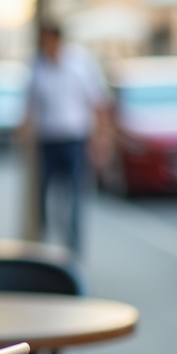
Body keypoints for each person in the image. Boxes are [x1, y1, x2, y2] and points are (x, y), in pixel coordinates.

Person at [23, 22, 110, 253]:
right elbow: (30, 106)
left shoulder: (80, 64)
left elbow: (99, 103)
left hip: (74, 140)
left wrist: (100, 141)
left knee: (74, 197)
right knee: (44, 197)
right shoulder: (37, 67)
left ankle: (73, 249)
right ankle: (43, 245)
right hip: (47, 140)